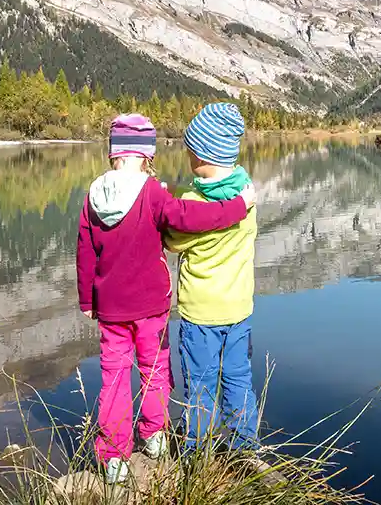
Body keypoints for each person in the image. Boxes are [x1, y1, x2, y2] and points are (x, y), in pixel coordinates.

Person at [76, 113, 256, 485]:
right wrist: (238, 207)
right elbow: (185, 218)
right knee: (156, 371)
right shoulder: (153, 192)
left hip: (110, 308)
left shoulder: (94, 196)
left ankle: (113, 457)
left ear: (113, 154)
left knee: (114, 378)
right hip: (154, 307)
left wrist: (87, 299)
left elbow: (85, 250)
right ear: (146, 156)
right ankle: (156, 435)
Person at [164, 102, 260, 453]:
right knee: (238, 381)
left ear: (201, 156)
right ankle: (245, 451)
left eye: (190, 151)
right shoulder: (246, 192)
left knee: (200, 387)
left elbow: (173, 241)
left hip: (201, 314)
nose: (188, 156)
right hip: (238, 309)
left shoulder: (192, 200)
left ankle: (196, 455)